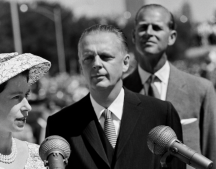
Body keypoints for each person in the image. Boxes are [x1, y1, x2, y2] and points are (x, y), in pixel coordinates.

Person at [45, 24, 185, 169]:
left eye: (105, 57)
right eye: (88, 58)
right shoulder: (60, 124)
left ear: (125, 63)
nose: (97, 64)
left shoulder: (159, 113)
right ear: (81, 67)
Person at [123, 4, 216, 169]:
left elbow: (212, 153)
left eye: (157, 27)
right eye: (143, 27)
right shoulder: (119, 93)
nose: (149, 32)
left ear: (172, 36)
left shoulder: (201, 89)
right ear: (134, 36)